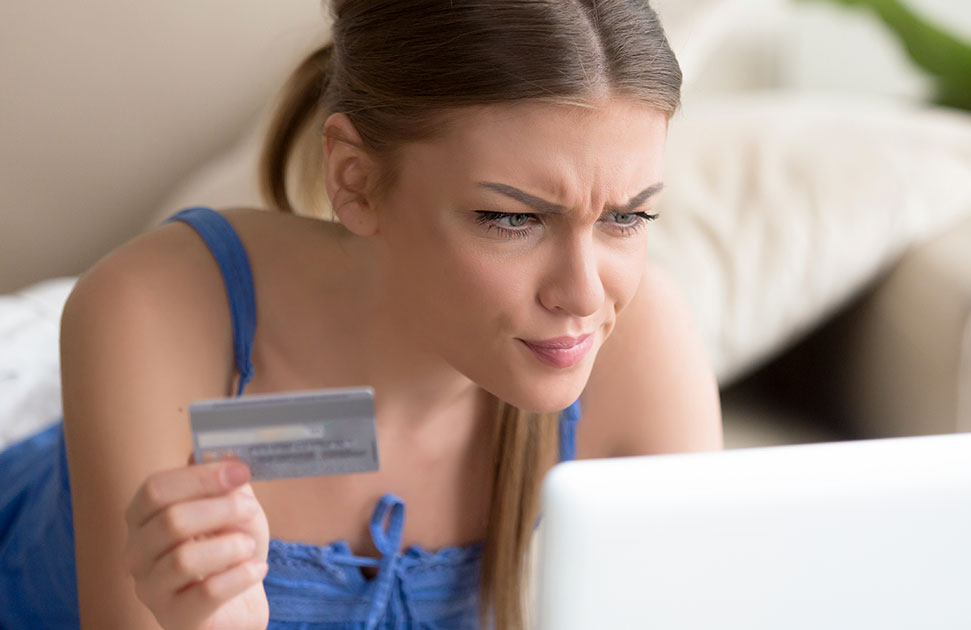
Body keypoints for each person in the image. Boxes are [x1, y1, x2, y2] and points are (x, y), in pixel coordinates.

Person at [0, 1, 722, 629]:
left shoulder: (642, 344)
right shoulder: (152, 314)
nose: (586, 295)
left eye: (627, 216)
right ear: (355, 179)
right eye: (510, 219)